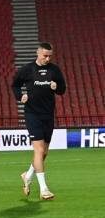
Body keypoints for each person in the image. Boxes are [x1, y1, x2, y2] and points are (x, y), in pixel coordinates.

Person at [12, 42, 66, 200]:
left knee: (44, 152)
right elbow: (15, 85)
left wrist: (56, 87)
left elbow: (62, 89)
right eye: (45, 56)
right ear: (38, 53)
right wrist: (20, 96)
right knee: (39, 150)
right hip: (32, 114)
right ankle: (44, 189)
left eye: (50, 56)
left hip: (48, 115)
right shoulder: (27, 69)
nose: (47, 59)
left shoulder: (54, 70)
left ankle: (27, 175)